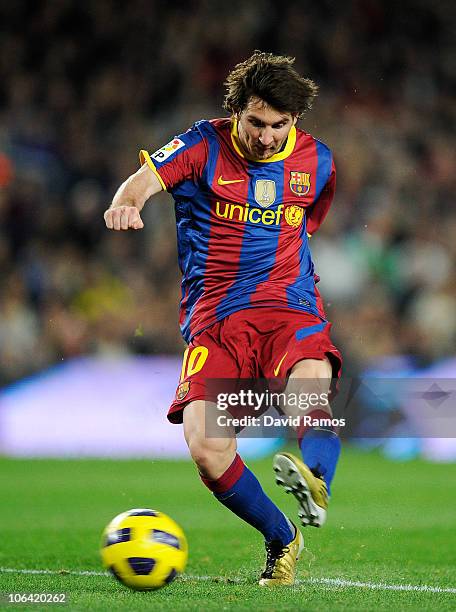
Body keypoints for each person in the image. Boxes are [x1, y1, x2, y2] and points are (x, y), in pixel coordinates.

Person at [104, 51, 342, 586]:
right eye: (256, 123)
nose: (267, 137)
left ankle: (317, 481)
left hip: (287, 302)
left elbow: (307, 222)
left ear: (295, 121)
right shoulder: (200, 145)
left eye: (280, 125)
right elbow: (140, 182)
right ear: (235, 112)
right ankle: (283, 537)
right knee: (207, 448)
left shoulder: (317, 160)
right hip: (215, 319)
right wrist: (127, 204)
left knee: (309, 385)